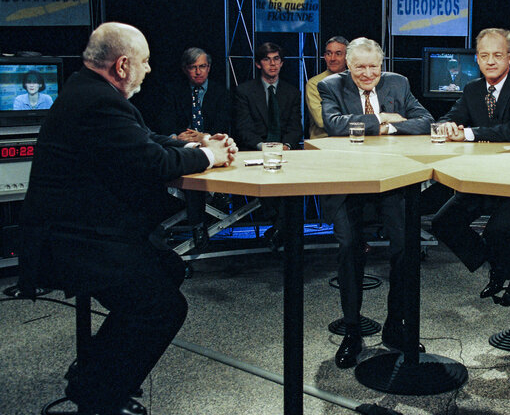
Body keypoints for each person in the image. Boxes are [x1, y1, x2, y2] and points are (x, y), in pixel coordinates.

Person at [18, 22, 238, 415]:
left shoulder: (89, 90)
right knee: (163, 307)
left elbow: (144, 137)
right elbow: (149, 161)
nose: (149, 70)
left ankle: (97, 371)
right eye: (144, 61)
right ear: (122, 65)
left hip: (88, 228)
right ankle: (101, 396)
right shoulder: (99, 100)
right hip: (75, 238)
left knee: (167, 269)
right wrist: (210, 157)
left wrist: (196, 142)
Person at [317, 37, 434, 368]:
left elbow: (425, 121)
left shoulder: (398, 82)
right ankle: (352, 332)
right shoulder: (331, 86)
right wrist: (384, 121)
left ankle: (394, 327)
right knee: (350, 248)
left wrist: (394, 130)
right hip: (347, 182)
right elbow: (335, 125)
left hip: (391, 181)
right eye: (361, 67)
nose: (369, 74)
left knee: (404, 248)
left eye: (374, 66)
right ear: (348, 65)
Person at [430, 27, 510, 307]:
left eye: (497, 55)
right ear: (478, 60)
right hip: (485, 180)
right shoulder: (472, 89)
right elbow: (450, 116)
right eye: (484, 56)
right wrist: (447, 124)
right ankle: (499, 265)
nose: (490, 61)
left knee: (498, 229)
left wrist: (469, 133)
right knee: (443, 223)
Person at [156, 47, 232, 248]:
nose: (198, 72)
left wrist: (204, 137)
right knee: (193, 169)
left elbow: (224, 126)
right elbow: (165, 124)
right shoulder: (172, 91)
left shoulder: (220, 92)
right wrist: (176, 137)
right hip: (183, 149)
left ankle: (206, 215)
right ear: (184, 69)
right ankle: (198, 225)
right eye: (193, 67)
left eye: (202, 67)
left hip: (214, 147)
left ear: (209, 67)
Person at [234, 42, 302, 151]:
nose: (272, 63)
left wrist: (287, 146)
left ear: (281, 63)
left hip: (285, 151)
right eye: (266, 59)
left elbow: (295, 128)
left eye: (276, 59)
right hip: (255, 149)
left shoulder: (292, 93)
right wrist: (264, 147)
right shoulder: (244, 91)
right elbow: (244, 129)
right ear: (258, 64)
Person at [306, 36, 348, 138]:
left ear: (348, 57)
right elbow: (322, 121)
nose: (332, 58)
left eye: (338, 54)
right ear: (325, 57)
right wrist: (357, 120)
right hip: (323, 142)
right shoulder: (314, 84)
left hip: (349, 141)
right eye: (329, 54)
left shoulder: (356, 81)